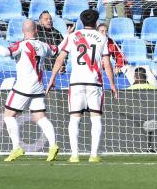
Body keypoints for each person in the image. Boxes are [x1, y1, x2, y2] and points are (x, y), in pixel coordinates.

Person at [0, 20, 60, 162]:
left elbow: (5, 52)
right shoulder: (43, 46)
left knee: (8, 115)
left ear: (23, 31)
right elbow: (57, 50)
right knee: (40, 117)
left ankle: (16, 147)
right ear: (36, 31)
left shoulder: (21, 45)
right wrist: (68, 36)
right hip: (38, 86)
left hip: (23, 87)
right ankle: (53, 145)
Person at [47, 9, 118, 163]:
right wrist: (112, 84)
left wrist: (52, 79)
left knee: (74, 118)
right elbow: (106, 63)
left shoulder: (73, 36)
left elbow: (59, 59)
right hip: (94, 82)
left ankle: (74, 155)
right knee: (96, 117)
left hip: (76, 82)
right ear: (96, 22)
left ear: (81, 21)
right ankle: (93, 155)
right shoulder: (102, 38)